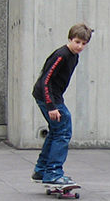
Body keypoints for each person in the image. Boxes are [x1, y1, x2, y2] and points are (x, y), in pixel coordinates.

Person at [32, 23, 93, 186]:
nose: (80, 46)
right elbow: (45, 80)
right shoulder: (62, 55)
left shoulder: (74, 56)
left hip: (54, 97)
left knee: (56, 131)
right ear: (70, 39)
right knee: (63, 132)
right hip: (48, 97)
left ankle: (42, 170)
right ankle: (53, 173)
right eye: (77, 42)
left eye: (84, 43)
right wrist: (51, 105)